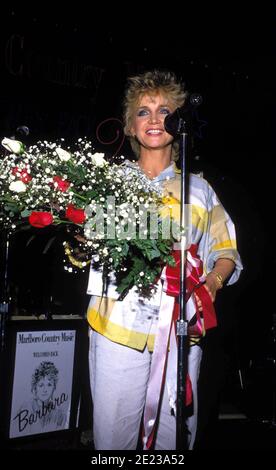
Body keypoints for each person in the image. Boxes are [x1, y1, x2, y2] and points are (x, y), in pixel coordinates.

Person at [86, 69, 243, 450]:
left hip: (182, 332)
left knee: (174, 443)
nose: (154, 119)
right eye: (143, 111)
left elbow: (226, 250)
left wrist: (213, 283)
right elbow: (85, 247)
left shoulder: (201, 188)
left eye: (164, 111)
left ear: (179, 122)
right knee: (113, 443)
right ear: (130, 125)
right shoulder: (108, 182)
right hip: (116, 332)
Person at [12, 361, 67, 436]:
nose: (45, 390)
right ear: (35, 388)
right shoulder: (25, 408)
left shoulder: (59, 413)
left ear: (54, 387)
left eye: (49, 385)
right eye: (41, 385)